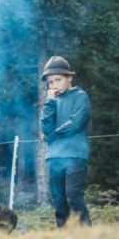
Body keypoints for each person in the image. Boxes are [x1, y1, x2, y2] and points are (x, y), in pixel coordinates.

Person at [40, 56, 92, 228]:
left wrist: (50, 136)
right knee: (59, 201)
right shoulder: (52, 101)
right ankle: (65, 237)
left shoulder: (80, 97)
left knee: (73, 196)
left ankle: (86, 234)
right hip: (54, 157)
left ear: (69, 77)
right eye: (51, 82)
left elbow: (74, 124)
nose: (54, 85)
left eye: (58, 80)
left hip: (75, 155)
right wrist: (49, 102)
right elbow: (45, 127)